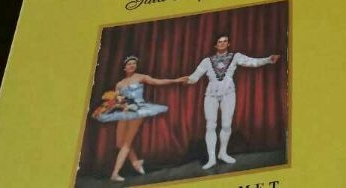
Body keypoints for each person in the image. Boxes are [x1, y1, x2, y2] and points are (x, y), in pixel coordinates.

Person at [185, 35, 280, 170]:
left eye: (225, 41)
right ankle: (211, 158)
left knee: (226, 124)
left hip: (228, 94)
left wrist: (268, 59)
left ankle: (222, 153)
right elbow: (194, 77)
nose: (222, 43)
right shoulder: (207, 61)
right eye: (219, 41)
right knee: (210, 125)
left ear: (228, 44)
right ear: (215, 45)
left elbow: (251, 62)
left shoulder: (235, 57)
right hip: (211, 95)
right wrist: (184, 80)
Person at [93, 55, 188, 182]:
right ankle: (136, 162)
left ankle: (115, 173)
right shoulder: (119, 84)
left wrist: (176, 80)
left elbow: (157, 82)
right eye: (129, 64)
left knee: (126, 143)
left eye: (134, 63)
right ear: (124, 67)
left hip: (138, 111)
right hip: (125, 112)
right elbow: (116, 101)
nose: (132, 65)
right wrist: (106, 109)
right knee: (119, 143)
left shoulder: (141, 77)